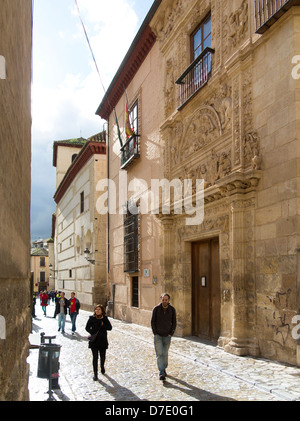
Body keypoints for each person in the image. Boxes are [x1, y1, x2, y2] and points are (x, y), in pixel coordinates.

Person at [151, 293, 177, 381]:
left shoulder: (172, 310)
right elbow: (152, 321)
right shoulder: (156, 309)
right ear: (161, 299)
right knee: (159, 354)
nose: (164, 301)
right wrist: (155, 333)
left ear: (168, 300)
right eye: (163, 299)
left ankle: (164, 368)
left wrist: (171, 333)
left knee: (165, 354)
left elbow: (174, 322)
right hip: (158, 335)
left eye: (166, 300)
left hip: (167, 336)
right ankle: (161, 372)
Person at [85, 304, 112, 380]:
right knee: (95, 357)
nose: (97, 311)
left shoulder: (105, 319)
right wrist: (92, 332)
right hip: (94, 341)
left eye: (99, 309)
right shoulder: (91, 318)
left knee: (102, 357)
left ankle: (102, 367)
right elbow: (87, 327)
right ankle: (95, 374)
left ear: (102, 311)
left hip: (103, 341)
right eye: (96, 309)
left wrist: (103, 325)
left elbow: (110, 328)